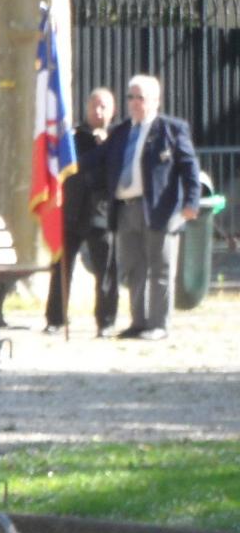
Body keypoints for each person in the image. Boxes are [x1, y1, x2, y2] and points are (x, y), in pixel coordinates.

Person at [83, 73, 200, 341]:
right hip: (126, 210)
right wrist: (64, 161)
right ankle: (139, 321)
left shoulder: (171, 129)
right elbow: (96, 160)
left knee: (160, 268)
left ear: (155, 101)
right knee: (133, 268)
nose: (135, 103)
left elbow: (189, 168)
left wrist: (191, 203)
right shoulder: (121, 132)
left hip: (160, 209)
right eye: (131, 97)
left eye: (141, 97)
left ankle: (159, 324)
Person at [44, 88, 119, 336]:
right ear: (86, 108)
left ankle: (106, 321)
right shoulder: (74, 136)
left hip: (101, 212)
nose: (98, 112)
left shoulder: (117, 138)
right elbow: (71, 166)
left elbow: (115, 171)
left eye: (104, 107)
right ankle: (56, 318)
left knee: (105, 268)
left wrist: (107, 146)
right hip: (72, 209)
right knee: (62, 267)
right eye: (94, 106)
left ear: (112, 111)